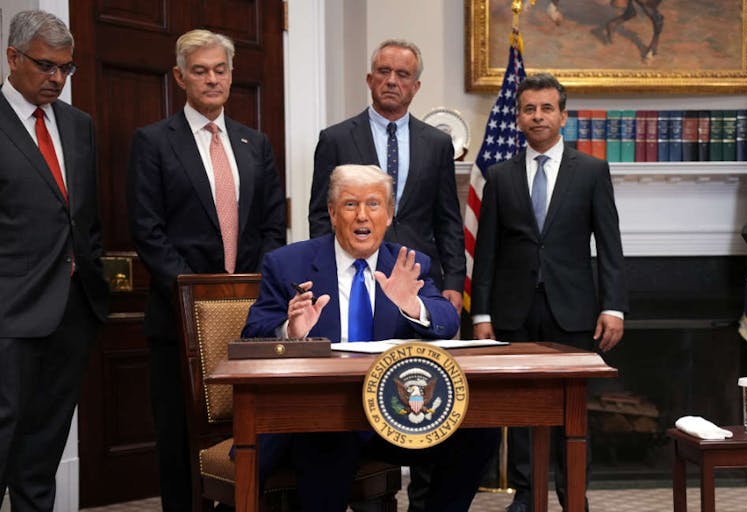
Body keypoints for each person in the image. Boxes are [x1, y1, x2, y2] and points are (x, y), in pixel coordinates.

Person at [242, 164, 499, 512]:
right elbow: (252, 334)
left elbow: (447, 319)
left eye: (374, 204)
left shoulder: (408, 264)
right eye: (350, 204)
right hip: (322, 415)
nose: (362, 215)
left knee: (479, 433)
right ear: (333, 213)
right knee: (328, 435)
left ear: (389, 214)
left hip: (394, 415)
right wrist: (291, 331)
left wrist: (413, 306)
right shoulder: (289, 263)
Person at [127, 29, 286, 512]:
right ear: (180, 77)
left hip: (251, 321)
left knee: (250, 434)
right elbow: (147, 231)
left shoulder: (255, 143)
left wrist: (256, 295)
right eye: (200, 71)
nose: (212, 79)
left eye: (220, 70)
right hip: (178, 323)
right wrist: (197, 296)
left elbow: (272, 227)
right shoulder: (153, 142)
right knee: (180, 444)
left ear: (231, 75)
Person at [471, 73, 629, 512]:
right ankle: (527, 494)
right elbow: (486, 252)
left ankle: (573, 495)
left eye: (546, 108)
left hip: (574, 312)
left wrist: (614, 307)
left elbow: (610, 244)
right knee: (521, 410)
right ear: (518, 118)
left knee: (573, 412)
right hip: (513, 312)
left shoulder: (591, 171)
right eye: (529, 109)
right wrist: (481, 315)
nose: (537, 116)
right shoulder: (499, 176)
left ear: (563, 116)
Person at [0, 10, 110, 510]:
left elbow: (85, 218)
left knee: (43, 450)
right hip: (9, 317)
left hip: (71, 312)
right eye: (46, 66)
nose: (57, 78)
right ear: (13, 57)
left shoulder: (78, 124)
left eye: (66, 68)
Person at [308, 39, 465, 314]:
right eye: (384, 71)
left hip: (419, 276)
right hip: (352, 274)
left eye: (402, 74)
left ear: (415, 86)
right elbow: (322, 215)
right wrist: (325, 272)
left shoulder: (437, 144)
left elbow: (448, 219)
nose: (392, 81)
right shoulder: (336, 139)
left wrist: (453, 279)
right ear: (370, 80)